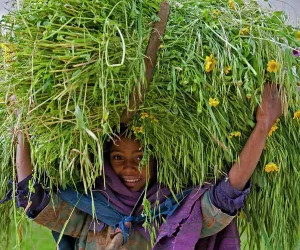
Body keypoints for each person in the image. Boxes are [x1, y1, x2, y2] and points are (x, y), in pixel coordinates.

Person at [8, 83, 282, 249]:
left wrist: (262, 126)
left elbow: (227, 194)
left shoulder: (177, 216)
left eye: (141, 158)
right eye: (118, 158)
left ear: (157, 161)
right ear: (105, 162)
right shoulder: (90, 212)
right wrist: (22, 129)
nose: (129, 168)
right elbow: (33, 197)